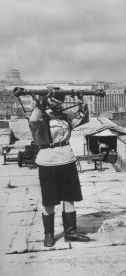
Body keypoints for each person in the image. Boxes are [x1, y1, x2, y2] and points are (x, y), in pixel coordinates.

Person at [29, 90, 91, 247]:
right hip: (48, 162)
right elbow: (33, 119)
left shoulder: (64, 117)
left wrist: (81, 100)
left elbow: (82, 118)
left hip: (67, 160)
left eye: (59, 100)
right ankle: (49, 234)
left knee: (70, 197)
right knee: (49, 201)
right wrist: (41, 103)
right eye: (55, 100)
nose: (58, 103)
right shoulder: (40, 116)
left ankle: (70, 232)